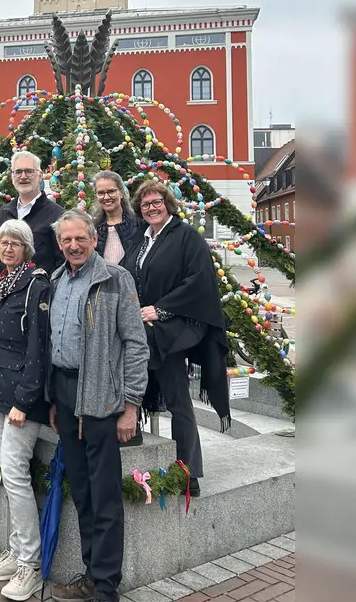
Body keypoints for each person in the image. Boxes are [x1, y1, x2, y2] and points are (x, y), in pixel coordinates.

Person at [48, 210, 148, 602]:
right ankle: (91, 574)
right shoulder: (56, 280)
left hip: (102, 400)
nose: (73, 246)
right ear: (60, 244)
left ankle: (106, 586)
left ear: (93, 239)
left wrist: (131, 406)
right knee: (83, 492)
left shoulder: (115, 279)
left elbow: (136, 344)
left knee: (104, 496)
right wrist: (54, 401)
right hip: (65, 395)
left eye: (80, 239)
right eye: (66, 240)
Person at [126, 180, 218, 491]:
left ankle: (188, 471)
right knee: (133, 391)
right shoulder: (142, 239)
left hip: (172, 331)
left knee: (179, 402)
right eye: (145, 204)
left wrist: (161, 310)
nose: (151, 208)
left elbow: (198, 281)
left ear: (168, 204)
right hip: (143, 330)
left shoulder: (186, 236)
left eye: (157, 202)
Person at [0, 219, 53, 601]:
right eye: (3, 243)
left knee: (15, 474)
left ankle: (31, 565)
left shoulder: (35, 285)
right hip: (1, 389)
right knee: (9, 475)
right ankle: (15, 550)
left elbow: (40, 348)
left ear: (27, 248)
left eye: (15, 243)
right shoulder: (6, 283)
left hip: (22, 398)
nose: (7, 248)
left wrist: (25, 402)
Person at [0, 150, 64, 278]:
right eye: (18, 172)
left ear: (40, 176)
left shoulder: (57, 215)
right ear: (12, 176)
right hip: (1, 288)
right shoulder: (4, 212)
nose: (23, 176)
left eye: (29, 171)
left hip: (37, 288)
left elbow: (61, 263)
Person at [91, 171, 141, 267]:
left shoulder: (138, 224)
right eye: (101, 193)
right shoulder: (93, 228)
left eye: (111, 191)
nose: (106, 197)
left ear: (121, 192)